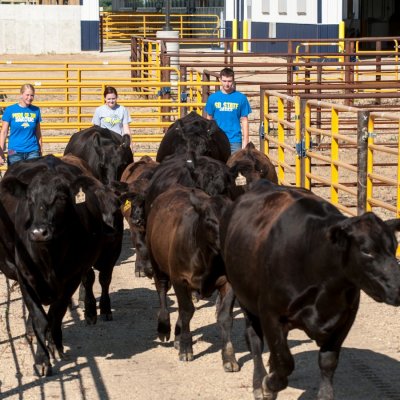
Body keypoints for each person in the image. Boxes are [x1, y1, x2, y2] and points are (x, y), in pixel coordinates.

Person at [205, 67, 252, 153]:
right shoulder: (213, 98)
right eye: (224, 81)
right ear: (220, 80)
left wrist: (245, 141)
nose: (227, 84)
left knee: (235, 165)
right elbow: (209, 119)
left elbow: (244, 120)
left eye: (229, 81)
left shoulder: (241, 98)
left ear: (233, 81)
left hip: (235, 140)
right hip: (217, 139)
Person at [0, 83, 42, 166]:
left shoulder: (36, 110)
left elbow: (38, 133)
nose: (29, 98)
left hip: (33, 151)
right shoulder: (10, 110)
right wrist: (0, 153)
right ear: (21, 94)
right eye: (27, 95)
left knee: (32, 178)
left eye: (32, 95)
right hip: (14, 151)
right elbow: (3, 132)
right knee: (15, 178)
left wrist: (40, 150)